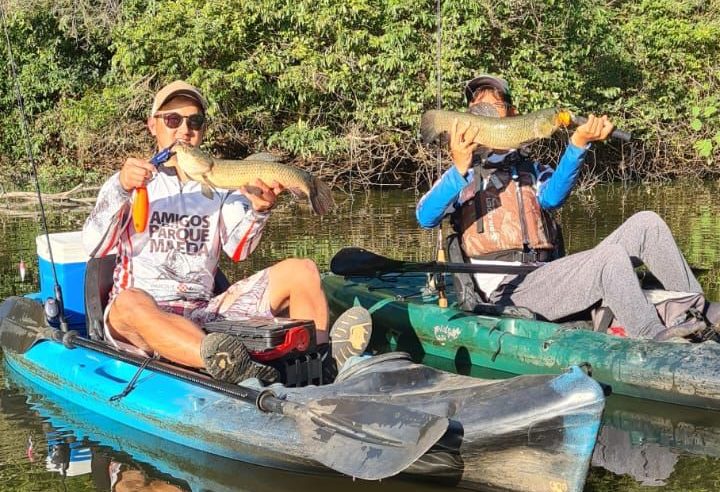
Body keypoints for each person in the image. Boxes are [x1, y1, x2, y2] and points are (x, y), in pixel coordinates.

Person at [82, 80, 371, 384]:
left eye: (194, 121)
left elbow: (239, 249)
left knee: (303, 270)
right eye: (172, 120)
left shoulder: (221, 184)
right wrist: (121, 188)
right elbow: (93, 244)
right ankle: (229, 365)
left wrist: (260, 210)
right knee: (130, 303)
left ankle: (321, 360)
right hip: (142, 312)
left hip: (203, 311)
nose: (184, 129)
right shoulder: (129, 182)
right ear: (152, 126)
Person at [416, 74, 719, 340]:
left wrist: (578, 144)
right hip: (509, 292)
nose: (484, 112)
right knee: (609, 258)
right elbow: (425, 216)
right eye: (477, 108)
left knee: (648, 224)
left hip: (549, 276)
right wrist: (458, 168)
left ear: (511, 113)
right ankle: (653, 338)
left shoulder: (530, 170)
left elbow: (552, 198)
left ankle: (699, 312)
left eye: (494, 107)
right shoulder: (463, 175)